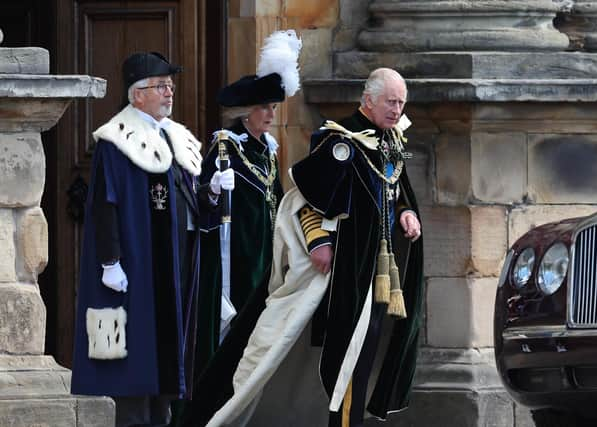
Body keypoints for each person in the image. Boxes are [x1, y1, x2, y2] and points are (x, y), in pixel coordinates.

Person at [206, 67, 424, 427]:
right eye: (390, 101)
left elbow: (394, 190)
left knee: (366, 353)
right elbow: (308, 200)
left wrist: (406, 212)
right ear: (368, 100)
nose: (397, 109)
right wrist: (319, 241)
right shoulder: (339, 139)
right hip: (343, 272)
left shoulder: (391, 141)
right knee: (346, 356)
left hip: (378, 270)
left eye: (401, 102)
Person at [70, 51, 233, 427]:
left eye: (171, 86)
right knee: (138, 362)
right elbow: (104, 205)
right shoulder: (116, 141)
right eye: (161, 86)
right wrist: (110, 262)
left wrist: (210, 192)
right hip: (139, 266)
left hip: (175, 264)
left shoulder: (173, 137)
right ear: (136, 94)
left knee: (167, 361)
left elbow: (187, 202)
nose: (169, 93)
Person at [169, 30, 302, 427]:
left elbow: (277, 203)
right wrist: (211, 191)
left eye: (274, 107)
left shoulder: (268, 152)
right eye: (264, 107)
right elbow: (202, 207)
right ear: (246, 111)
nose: (270, 115)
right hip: (232, 261)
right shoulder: (226, 148)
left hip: (263, 258)